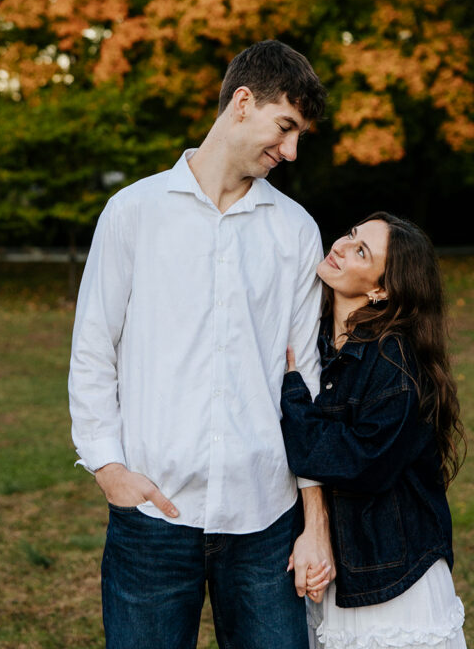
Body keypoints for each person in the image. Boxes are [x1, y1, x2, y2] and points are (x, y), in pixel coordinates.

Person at [69, 40, 335, 649]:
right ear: (242, 102)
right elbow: (93, 349)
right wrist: (108, 467)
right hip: (153, 516)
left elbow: (308, 380)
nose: (291, 151)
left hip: (266, 517)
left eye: (299, 136)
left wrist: (314, 520)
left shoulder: (296, 230)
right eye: (285, 127)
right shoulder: (133, 212)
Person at [281, 211, 467, 649]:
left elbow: (359, 463)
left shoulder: (393, 360)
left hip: (393, 578)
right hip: (342, 569)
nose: (341, 246)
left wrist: (292, 397)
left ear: (380, 290)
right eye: (350, 234)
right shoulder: (318, 341)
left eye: (361, 251)